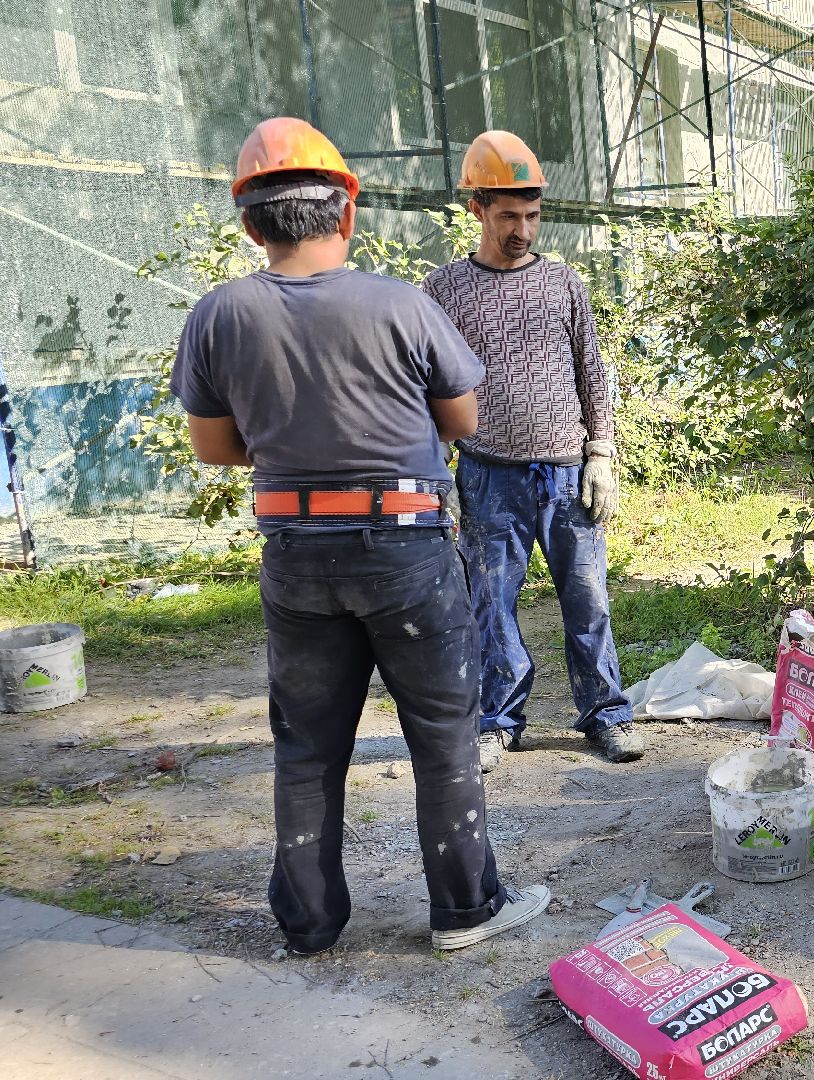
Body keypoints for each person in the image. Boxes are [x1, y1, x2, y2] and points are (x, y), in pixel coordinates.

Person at [173, 117, 549, 953]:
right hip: (406, 551)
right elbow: (462, 419)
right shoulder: (400, 305)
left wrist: (290, 446)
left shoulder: (218, 316)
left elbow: (214, 449)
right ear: (347, 213)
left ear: (249, 224)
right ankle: (464, 912)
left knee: (305, 746)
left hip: (296, 558)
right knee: (444, 738)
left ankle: (308, 925)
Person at [422, 130, 641, 769]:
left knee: (589, 598)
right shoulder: (444, 292)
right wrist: (438, 476)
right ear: (478, 211)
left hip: (567, 473)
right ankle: (498, 720)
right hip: (487, 476)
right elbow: (427, 385)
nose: (523, 228)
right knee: (491, 603)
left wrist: (602, 452)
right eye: (509, 215)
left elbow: (592, 370)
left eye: (533, 215)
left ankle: (605, 714)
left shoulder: (562, 283)